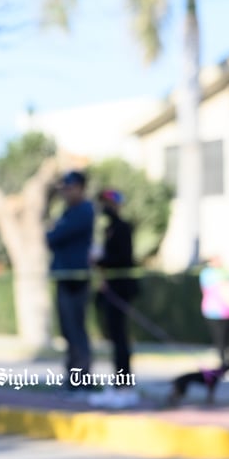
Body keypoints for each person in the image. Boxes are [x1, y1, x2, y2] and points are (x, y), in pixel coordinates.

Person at [88, 189, 140, 408]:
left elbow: (123, 258)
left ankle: (124, 386)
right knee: (114, 338)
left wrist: (102, 260)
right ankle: (119, 384)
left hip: (121, 290)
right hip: (111, 290)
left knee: (120, 339)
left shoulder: (122, 228)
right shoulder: (108, 229)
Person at [46, 170, 94, 391]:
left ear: (81, 188)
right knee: (68, 330)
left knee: (76, 329)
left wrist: (56, 231)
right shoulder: (68, 212)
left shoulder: (83, 211)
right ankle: (73, 376)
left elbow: (55, 236)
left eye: (70, 187)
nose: (66, 192)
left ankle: (81, 378)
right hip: (64, 276)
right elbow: (51, 238)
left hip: (76, 278)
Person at [199, 253, 229, 373]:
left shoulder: (226, 271)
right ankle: (224, 364)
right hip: (216, 313)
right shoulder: (209, 274)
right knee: (221, 340)